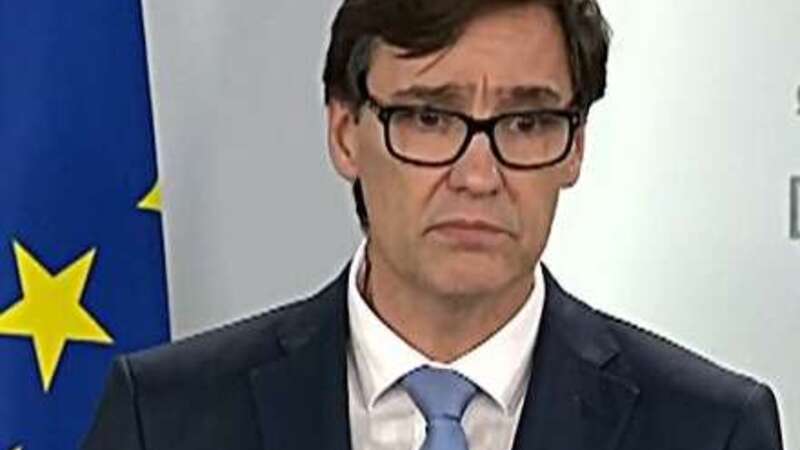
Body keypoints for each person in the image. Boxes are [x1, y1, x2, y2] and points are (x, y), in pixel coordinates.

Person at [83, 0, 784, 449]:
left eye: (527, 122)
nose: (478, 175)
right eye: (428, 117)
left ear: (574, 148)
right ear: (344, 133)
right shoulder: (165, 419)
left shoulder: (711, 430)